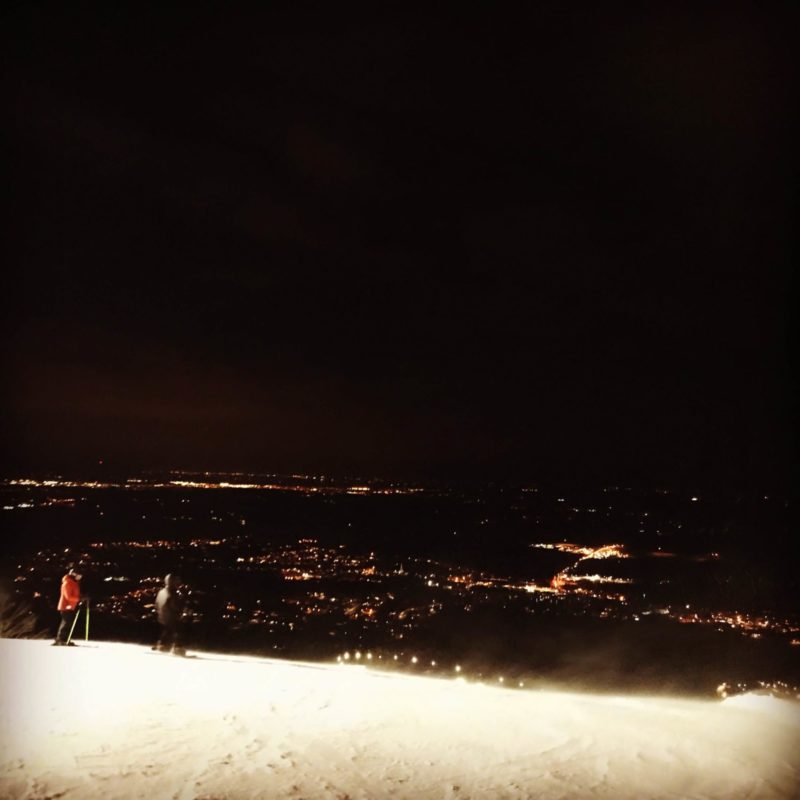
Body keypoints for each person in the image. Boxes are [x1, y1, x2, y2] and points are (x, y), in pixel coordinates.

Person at [153, 573, 186, 655]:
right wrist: (182, 611)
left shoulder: (161, 592)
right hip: (170, 617)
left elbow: (156, 604)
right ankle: (177, 647)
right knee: (178, 630)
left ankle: (162, 644)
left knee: (167, 630)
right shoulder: (172, 592)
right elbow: (174, 606)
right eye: (176, 581)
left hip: (162, 617)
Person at [53, 567, 82, 645]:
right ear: (74, 574)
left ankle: (65, 639)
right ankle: (60, 639)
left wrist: (80, 597)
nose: (80, 577)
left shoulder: (74, 582)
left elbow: (75, 594)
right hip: (65, 606)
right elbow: (68, 596)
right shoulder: (68, 582)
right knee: (66, 623)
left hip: (71, 606)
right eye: (79, 575)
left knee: (68, 623)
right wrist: (79, 599)